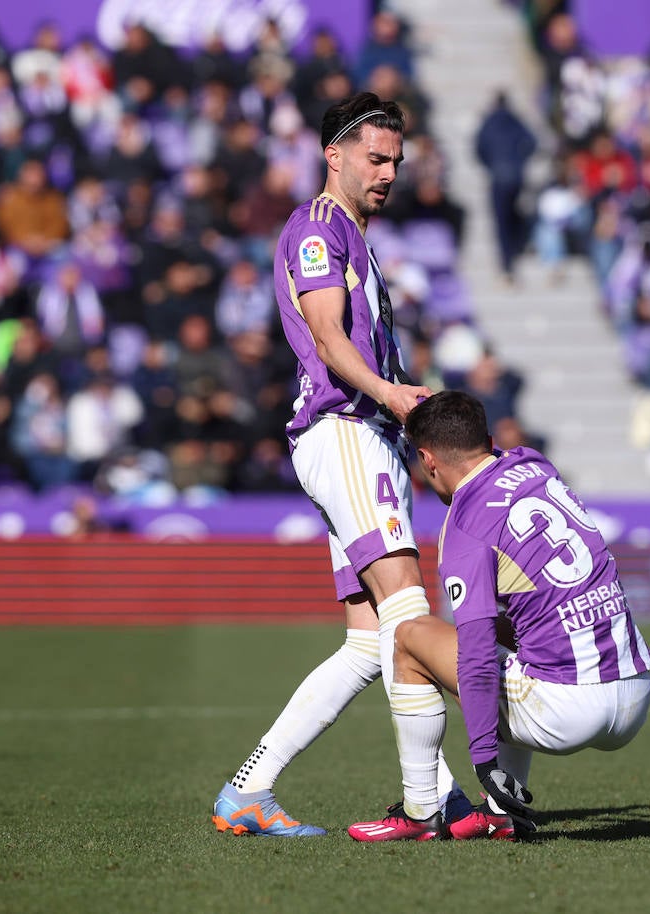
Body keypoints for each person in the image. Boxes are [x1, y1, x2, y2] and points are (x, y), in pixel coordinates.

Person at [213, 93, 468, 838]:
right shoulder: (319, 228)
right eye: (375, 158)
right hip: (347, 429)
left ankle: (249, 789)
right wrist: (391, 394)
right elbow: (326, 334)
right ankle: (435, 799)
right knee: (410, 617)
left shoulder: (353, 234)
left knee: (369, 641)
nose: (389, 173)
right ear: (335, 156)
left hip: (363, 434)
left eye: (396, 160)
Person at [345, 391, 650, 842]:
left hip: (568, 710)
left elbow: (474, 657)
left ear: (428, 461)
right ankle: (500, 815)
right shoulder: (534, 463)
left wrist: (484, 759)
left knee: (410, 637)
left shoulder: (466, 524)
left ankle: (420, 811)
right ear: (488, 440)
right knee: (512, 632)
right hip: (636, 694)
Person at [475, 93, 537, 279]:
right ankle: (516, 249)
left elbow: (479, 149)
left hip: (499, 178)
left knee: (502, 221)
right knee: (513, 214)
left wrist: (491, 165)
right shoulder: (516, 121)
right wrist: (520, 161)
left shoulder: (488, 123)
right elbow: (532, 143)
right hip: (516, 177)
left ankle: (507, 261)